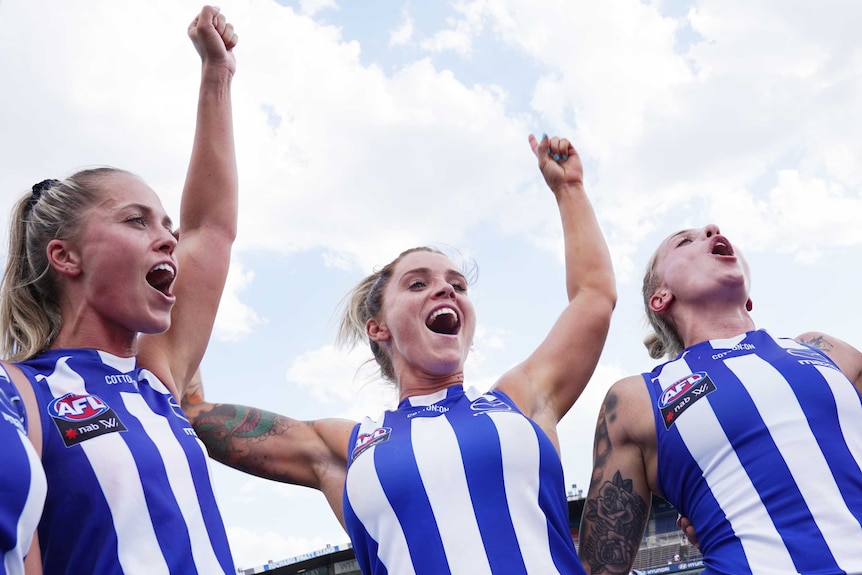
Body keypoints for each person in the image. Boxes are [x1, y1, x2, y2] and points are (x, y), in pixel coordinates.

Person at [182, 134, 616, 575]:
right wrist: (179, 282)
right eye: (417, 283)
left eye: (458, 285)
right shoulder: (345, 445)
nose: (446, 288)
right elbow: (192, 409)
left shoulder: (520, 399)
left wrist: (570, 190)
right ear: (378, 327)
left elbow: (593, 298)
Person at [0, 6, 239, 573]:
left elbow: (211, 228)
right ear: (65, 255)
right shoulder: (20, 393)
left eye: (167, 227)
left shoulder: (159, 379)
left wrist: (217, 76)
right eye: (137, 221)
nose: (168, 241)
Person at [578, 224, 862, 575]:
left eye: (710, 233)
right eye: (684, 241)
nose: (711, 229)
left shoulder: (824, 350)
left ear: (748, 295)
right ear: (660, 296)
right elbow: (600, 567)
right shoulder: (637, 399)